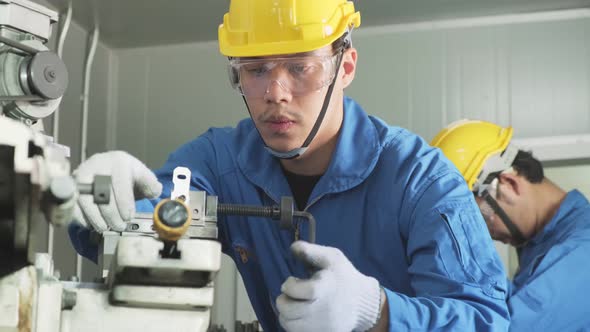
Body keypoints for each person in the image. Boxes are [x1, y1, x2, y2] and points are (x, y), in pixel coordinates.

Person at [69, 1, 510, 331]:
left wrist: (376, 310)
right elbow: (164, 206)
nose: (276, 92)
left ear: (346, 67)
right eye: (256, 69)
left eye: (301, 67)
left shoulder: (420, 179)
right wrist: (109, 198)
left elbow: (485, 319)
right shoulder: (219, 161)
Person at [431, 119, 590, 331]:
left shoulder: (581, 251)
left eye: (480, 220)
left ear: (509, 185)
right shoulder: (540, 245)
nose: (486, 234)